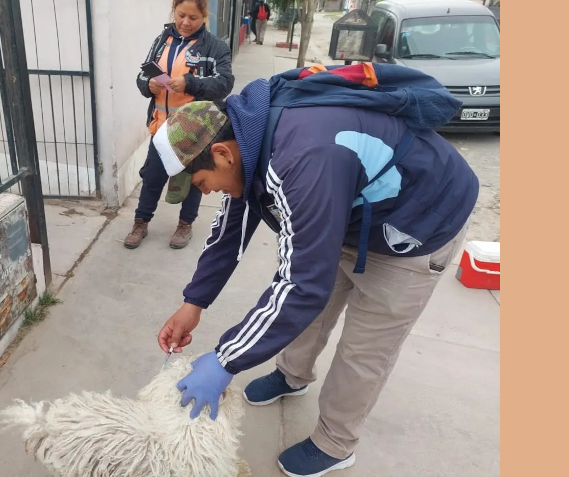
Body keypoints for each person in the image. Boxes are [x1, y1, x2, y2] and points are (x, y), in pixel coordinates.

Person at [153, 63, 479, 476]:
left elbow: (301, 285)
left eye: (201, 183)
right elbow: (230, 229)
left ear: (221, 153)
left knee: (363, 348)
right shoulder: (247, 137)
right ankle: (293, 375)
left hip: (419, 220)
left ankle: (336, 443)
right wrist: (193, 302)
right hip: (350, 210)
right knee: (313, 306)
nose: (207, 193)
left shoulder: (302, 158)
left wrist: (225, 359)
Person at [129, 0, 235, 250]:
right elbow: (142, 75)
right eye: (181, 15)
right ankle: (140, 222)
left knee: (194, 179)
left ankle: (185, 224)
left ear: (204, 17)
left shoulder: (215, 47)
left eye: (193, 17)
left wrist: (190, 83)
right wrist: (149, 85)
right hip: (162, 127)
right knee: (153, 177)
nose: (186, 22)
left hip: (195, 130)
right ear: (174, 12)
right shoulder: (161, 41)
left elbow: (225, 83)